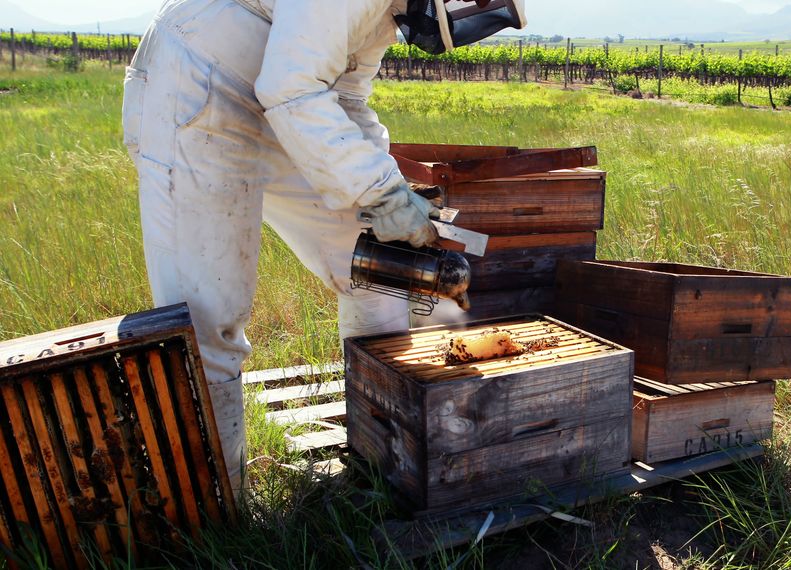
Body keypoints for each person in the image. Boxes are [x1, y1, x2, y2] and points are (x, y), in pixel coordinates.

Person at [122, 0, 525, 491]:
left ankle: (379, 457)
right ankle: (217, 513)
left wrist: (389, 191)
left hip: (291, 100)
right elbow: (291, 87)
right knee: (207, 316)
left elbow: (347, 98)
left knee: (383, 274)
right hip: (203, 81)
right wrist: (380, 190)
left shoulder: (384, 10)